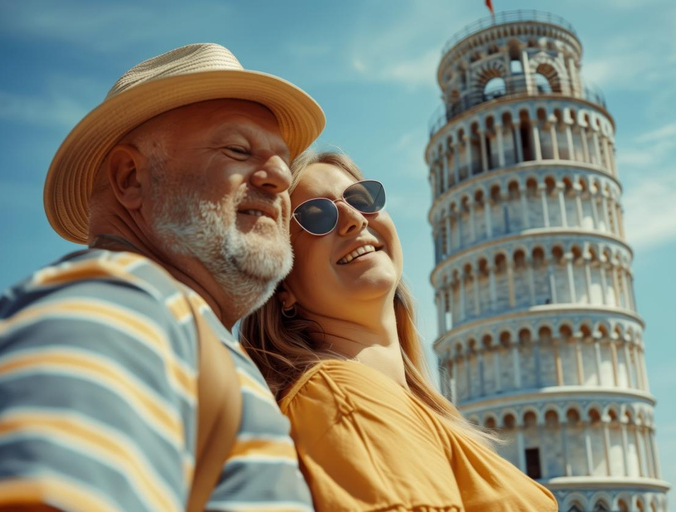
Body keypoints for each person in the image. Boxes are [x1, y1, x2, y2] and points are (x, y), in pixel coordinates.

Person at [0, 44, 325, 512]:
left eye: (281, 159)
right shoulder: (112, 300)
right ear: (131, 177)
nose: (280, 176)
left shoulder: (171, 325)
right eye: (238, 149)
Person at [240, 151, 559, 511]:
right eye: (316, 216)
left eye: (362, 198)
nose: (353, 219)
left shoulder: (418, 409)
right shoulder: (338, 394)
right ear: (283, 288)